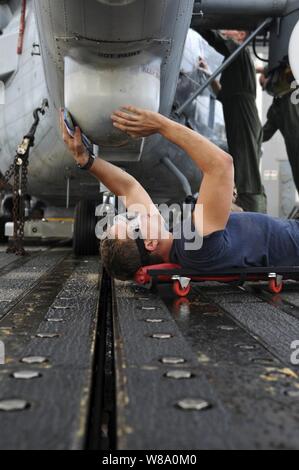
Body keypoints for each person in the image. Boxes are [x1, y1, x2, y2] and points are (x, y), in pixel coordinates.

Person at [61, 106, 299, 281]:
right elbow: (221, 164)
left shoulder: (181, 245)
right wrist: (162, 125)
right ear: (152, 242)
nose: (133, 213)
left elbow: (128, 188)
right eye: (131, 220)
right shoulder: (195, 245)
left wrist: (87, 161)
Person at [192, 29, 267, 214]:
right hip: (237, 108)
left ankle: (251, 206)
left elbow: (218, 39)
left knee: (244, 160)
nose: (226, 32)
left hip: (242, 111)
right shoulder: (236, 63)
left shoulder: (239, 51)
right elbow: (224, 95)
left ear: (242, 35)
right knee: (243, 156)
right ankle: (250, 202)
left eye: (230, 30)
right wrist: (209, 74)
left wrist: (200, 24)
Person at [257, 67, 299, 193]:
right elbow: (264, 134)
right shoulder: (276, 108)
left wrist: (262, 69)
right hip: (294, 151)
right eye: (263, 85)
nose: (265, 85)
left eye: (264, 81)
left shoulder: (293, 88)